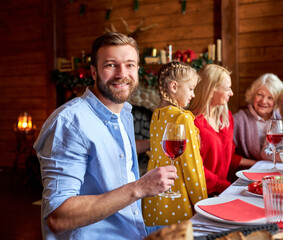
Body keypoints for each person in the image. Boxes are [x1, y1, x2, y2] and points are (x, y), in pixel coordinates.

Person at [33, 32, 177, 240]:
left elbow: (111, 151)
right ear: (93, 72)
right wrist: (139, 187)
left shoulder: (123, 113)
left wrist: (152, 144)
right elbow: (58, 218)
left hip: (132, 229)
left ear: (137, 70)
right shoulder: (69, 122)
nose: (121, 73)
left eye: (129, 65)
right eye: (111, 65)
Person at [142, 61, 208, 226]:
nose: (192, 95)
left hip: (154, 197)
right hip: (179, 196)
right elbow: (192, 166)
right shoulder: (182, 117)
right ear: (174, 86)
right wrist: (202, 203)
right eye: (191, 88)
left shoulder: (156, 115)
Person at [188, 64, 242, 196]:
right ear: (211, 90)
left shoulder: (226, 118)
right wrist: (225, 187)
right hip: (202, 194)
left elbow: (229, 154)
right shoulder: (192, 122)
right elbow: (194, 167)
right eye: (227, 89)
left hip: (223, 191)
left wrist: (257, 164)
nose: (232, 93)